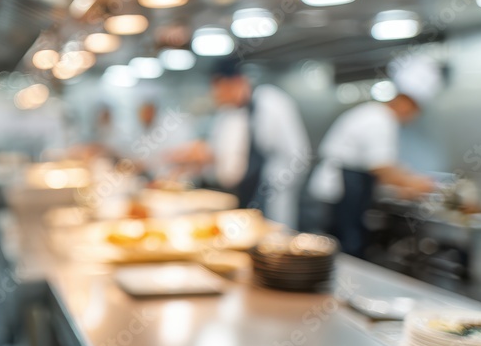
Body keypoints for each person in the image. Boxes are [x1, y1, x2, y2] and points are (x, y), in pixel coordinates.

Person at [308, 55, 442, 257]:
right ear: (407, 104)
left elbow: (377, 168)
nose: (414, 117)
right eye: (416, 110)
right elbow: (382, 168)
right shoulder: (380, 120)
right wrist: (416, 184)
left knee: (342, 249)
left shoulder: (374, 114)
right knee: (342, 250)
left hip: (343, 190)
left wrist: (405, 185)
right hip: (338, 192)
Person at [171, 59, 311, 228]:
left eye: (219, 89)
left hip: (270, 199)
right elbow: (224, 159)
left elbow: (299, 156)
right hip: (237, 199)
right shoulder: (227, 113)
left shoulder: (271, 103)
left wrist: (271, 191)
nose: (216, 96)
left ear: (236, 82)